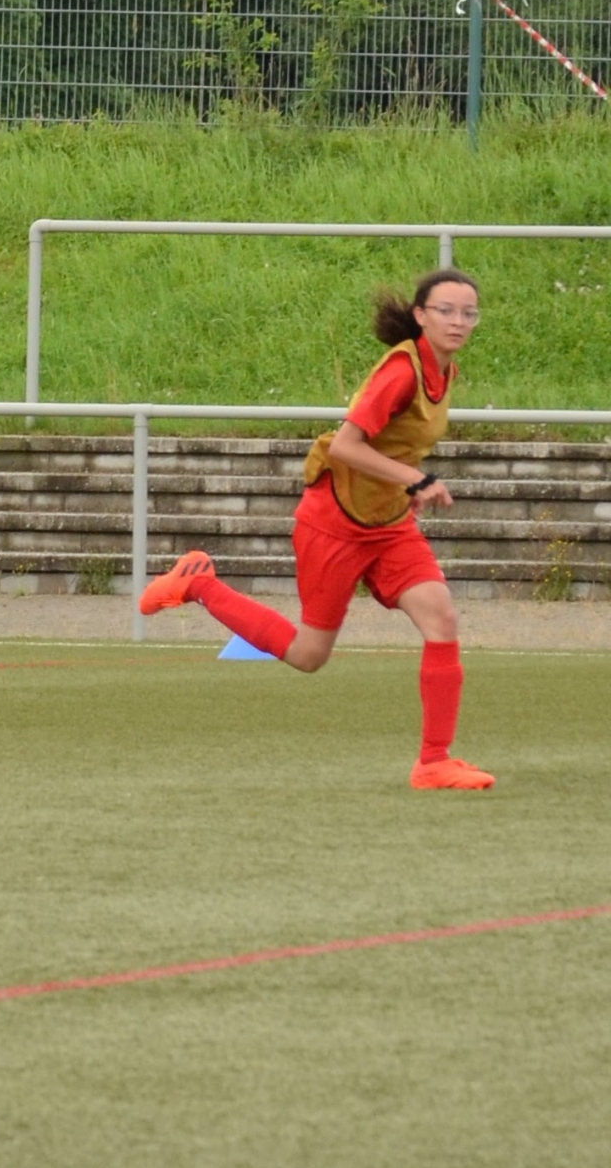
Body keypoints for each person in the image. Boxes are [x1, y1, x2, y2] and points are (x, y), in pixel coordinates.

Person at [139, 267, 494, 792]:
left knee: (441, 618)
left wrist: (404, 489)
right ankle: (199, 584)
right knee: (309, 655)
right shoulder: (401, 373)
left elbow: (396, 446)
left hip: (388, 524)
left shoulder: (445, 372)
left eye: (469, 312)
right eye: (446, 310)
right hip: (335, 522)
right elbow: (347, 446)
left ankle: (433, 763)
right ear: (420, 316)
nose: (458, 321)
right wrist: (416, 480)